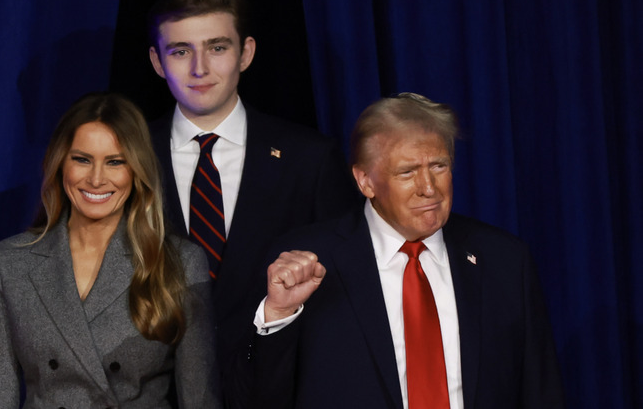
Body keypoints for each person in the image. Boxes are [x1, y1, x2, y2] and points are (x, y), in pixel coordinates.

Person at [242, 93, 564, 408]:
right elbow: (260, 396)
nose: (428, 187)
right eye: (408, 172)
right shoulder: (308, 264)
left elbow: (541, 393)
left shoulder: (504, 261)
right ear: (365, 181)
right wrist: (279, 316)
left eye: (439, 166)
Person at [145, 0, 359, 378]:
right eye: (180, 51)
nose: (199, 68)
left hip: (280, 387)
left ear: (246, 53)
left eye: (217, 48)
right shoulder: (128, 156)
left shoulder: (309, 159)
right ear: (157, 62)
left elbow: (344, 290)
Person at [0, 92, 221, 408]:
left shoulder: (180, 262)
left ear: (136, 170)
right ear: (61, 163)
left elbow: (200, 398)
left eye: (115, 162)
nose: (96, 179)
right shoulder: (9, 263)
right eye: (82, 159)